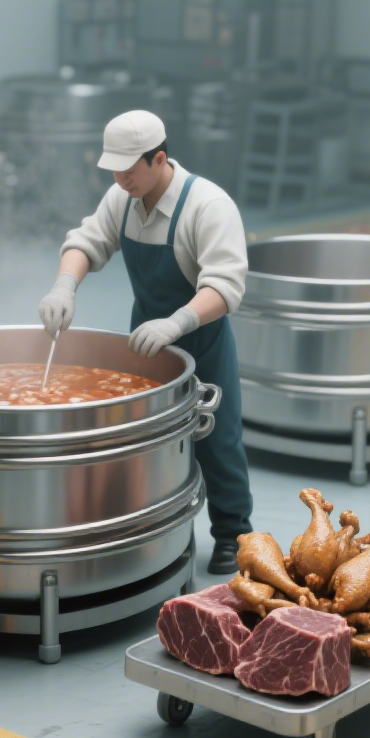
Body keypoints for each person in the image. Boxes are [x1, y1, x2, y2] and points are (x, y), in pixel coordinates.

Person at [38, 110, 252, 574]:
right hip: (145, 345)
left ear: (159, 159)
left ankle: (234, 535)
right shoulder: (122, 197)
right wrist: (63, 285)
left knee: (218, 442)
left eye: (129, 170)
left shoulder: (208, 206)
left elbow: (226, 286)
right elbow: (88, 241)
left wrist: (177, 323)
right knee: (147, 447)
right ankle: (157, 539)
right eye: (113, 169)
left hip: (201, 341)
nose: (120, 179)